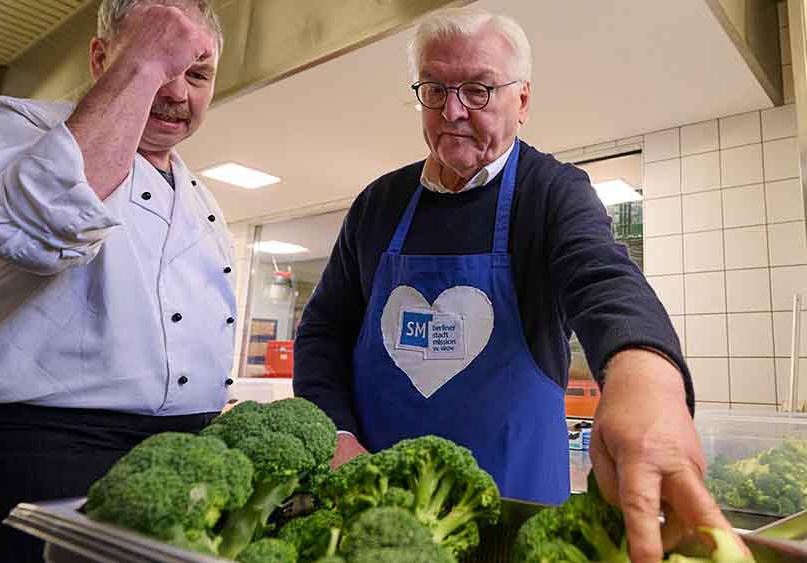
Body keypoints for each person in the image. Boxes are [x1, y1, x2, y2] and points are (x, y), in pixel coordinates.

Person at [293, 7, 744, 562]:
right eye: (434, 89)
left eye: (479, 90)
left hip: (518, 515)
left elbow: (604, 277)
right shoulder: (377, 204)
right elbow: (323, 331)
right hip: (378, 519)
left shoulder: (552, 192)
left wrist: (647, 379)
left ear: (522, 100)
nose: (453, 111)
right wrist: (335, 434)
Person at [0, 1, 235, 561]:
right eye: (160, 63)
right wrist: (140, 66)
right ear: (100, 57)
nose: (177, 92)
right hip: (36, 455)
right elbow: (36, 225)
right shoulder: (16, 126)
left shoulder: (204, 200)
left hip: (183, 463)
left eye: (197, 74)